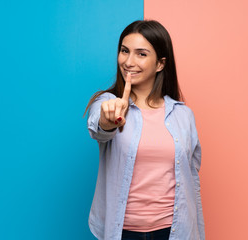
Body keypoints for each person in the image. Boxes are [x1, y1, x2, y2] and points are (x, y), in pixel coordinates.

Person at [85, 20, 205, 240]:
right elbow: (99, 127)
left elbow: (191, 180)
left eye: (141, 54)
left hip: (173, 230)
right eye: (124, 51)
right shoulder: (108, 102)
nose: (129, 62)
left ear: (160, 64)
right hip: (123, 231)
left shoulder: (183, 115)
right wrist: (109, 118)